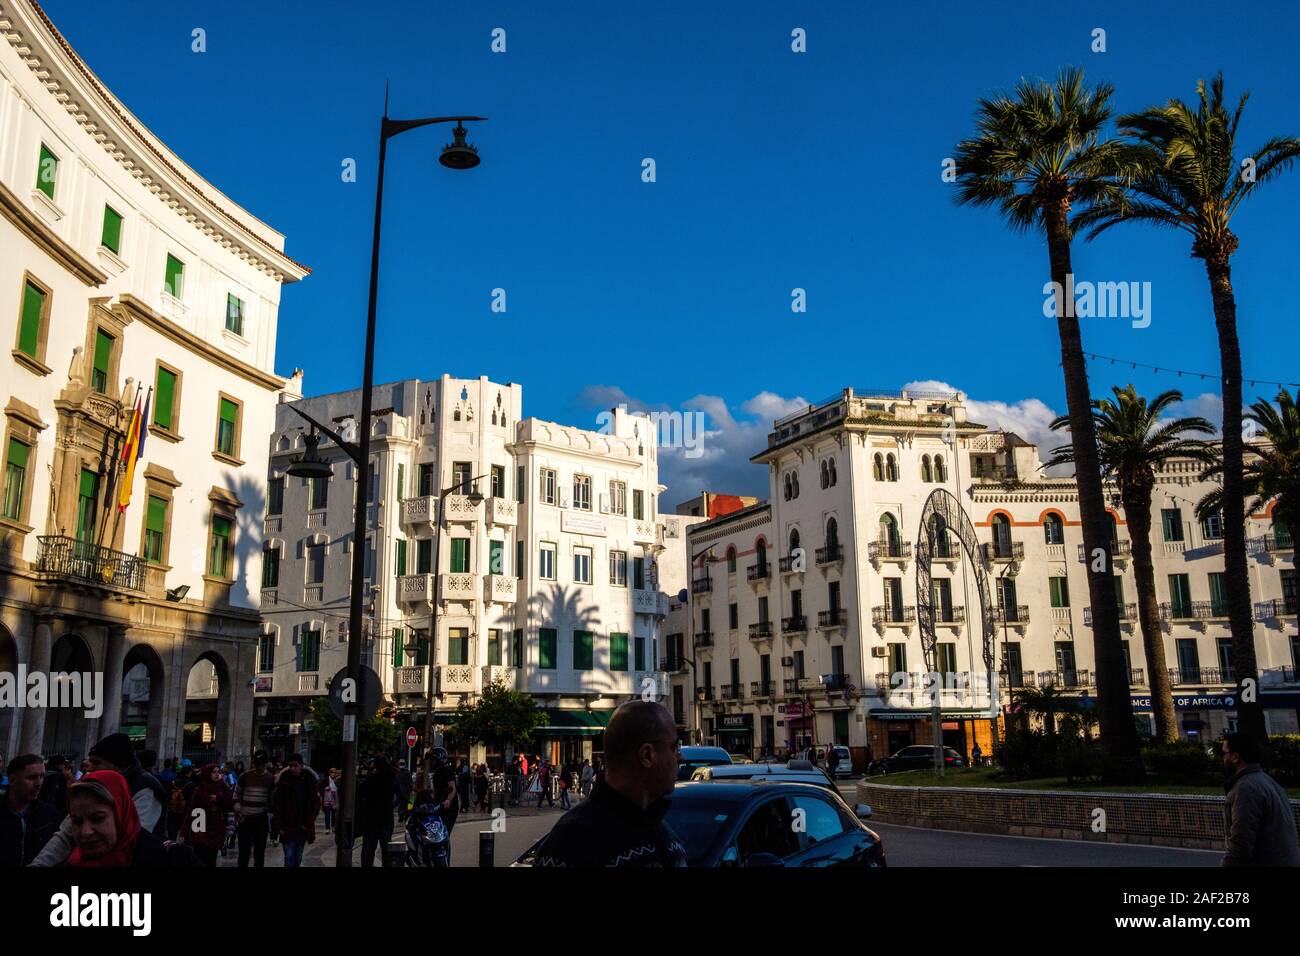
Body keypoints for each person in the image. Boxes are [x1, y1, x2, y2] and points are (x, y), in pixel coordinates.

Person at [532, 701, 687, 867]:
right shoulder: (570, 843)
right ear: (647, 755)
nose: (680, 757)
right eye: (674, 748)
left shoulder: (664, 833)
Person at [29, 732, 169, 866]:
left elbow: (131, 838)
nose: (90, 768)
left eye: (97, 763)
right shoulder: (90, 785)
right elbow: (65, 834)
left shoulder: (145, 788)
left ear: (119, 765)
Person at [65, 770, 199, 867]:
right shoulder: (72, 862)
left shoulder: (172, 859)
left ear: (121, 816)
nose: (85, 832)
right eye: (77, 821)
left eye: (97, 819)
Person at [1221, 732, 1300, 866]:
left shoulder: (1246, 789)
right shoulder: (1268, 782)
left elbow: (1240, 846)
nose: (1222, 758)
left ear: (1235, 757)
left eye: (1224, 753)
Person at [2, 754, 61, 866]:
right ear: (12, 780)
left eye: (42, 776)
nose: (38, 783)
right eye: (31, 777)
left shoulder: (50, 815)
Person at [270, 753, 319, 868]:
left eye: (295, 765)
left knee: (297, 857)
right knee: (289, 857)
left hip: (302, 826)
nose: (292, 768)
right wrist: (280, 826)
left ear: (301, 766)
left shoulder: (308, 781)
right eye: (290, 766)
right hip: (287, 826)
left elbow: (315, 804)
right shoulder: (284, 781)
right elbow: (277, 805)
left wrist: (308, 822)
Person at [180, 763, 233, 867]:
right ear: (208, 773)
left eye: (219, 772)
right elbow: (191, 810)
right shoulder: (199, 790)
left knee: (212, 860)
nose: (217, 775)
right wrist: (183, 832)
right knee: (201, 859)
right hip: (200, 826)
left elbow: (230, 802)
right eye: (214, 772)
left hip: (216, 828)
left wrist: (218, 798)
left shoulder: (222, 787)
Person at [234, 751, 276, 868]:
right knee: (243, 852)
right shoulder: (245, 776)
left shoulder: (270, 779)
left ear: (266, 764)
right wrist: (238, 808)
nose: (259, 767)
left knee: (259, 853)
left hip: (261, 819)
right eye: (257, 764)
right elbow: (236, 795)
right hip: (245, 819)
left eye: (261, 764)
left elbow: (272, 800)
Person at [358, 756, 396, 867]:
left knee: (368, 849)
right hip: (386, 818)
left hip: (371, 819)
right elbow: (402, 794)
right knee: (386, 849)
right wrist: (392, 805)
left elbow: (360, 793)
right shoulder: (391, 778)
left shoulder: (370, 779)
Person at [426, 748, 458, 857]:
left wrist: (448, 800)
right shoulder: (436, 774)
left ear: (439, 760)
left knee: (444, 835)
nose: (431, 763)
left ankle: (445, 860)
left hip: (449, 809)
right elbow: (435, 792)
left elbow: (452, 788)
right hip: (439, 807)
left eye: (433, 760)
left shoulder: (447, 771)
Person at [321, 768, 338, 833]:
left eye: (334, 773)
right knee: (327, 814)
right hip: (327, 799)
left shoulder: (336, 780)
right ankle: (327, 827)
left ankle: (333, 826)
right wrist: (325, 788)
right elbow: (320, 787)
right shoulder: (325, 779)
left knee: (334, 814)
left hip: (334, 799)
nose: (333, 774)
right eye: (332, 772)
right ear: (330, 773)